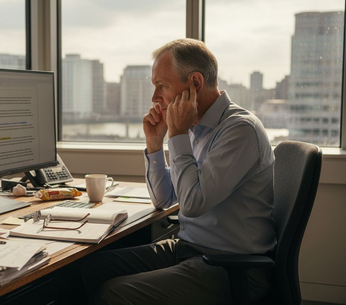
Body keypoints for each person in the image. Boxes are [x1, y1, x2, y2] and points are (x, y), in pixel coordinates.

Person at [81, 38, 277, 304]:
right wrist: (154, 144)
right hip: (189, 251)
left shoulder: (239, 130)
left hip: (231, 268)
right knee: (86, 269)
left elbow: (193, 203)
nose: (154, 98)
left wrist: (177, 133)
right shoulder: (196, 129)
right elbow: (164, 199)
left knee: (113, 294)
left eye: (162, 86)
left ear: (195, 83)